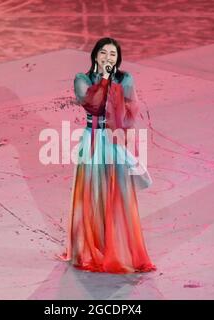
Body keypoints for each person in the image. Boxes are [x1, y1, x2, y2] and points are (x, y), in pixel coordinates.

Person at [59, 37, 156, 273]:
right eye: (104, 53)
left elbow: (131, 110)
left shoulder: (126, 79)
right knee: (93, 192)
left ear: (118, 59)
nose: (108, 58)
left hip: (113, 140)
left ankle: (116, 247)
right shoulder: (82, 79)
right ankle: (91, 246)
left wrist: (122, 133)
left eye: (113, 55)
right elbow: (91, 104)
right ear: (95, 55)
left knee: (115, 193)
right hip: (92, 140)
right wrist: (104, 79)